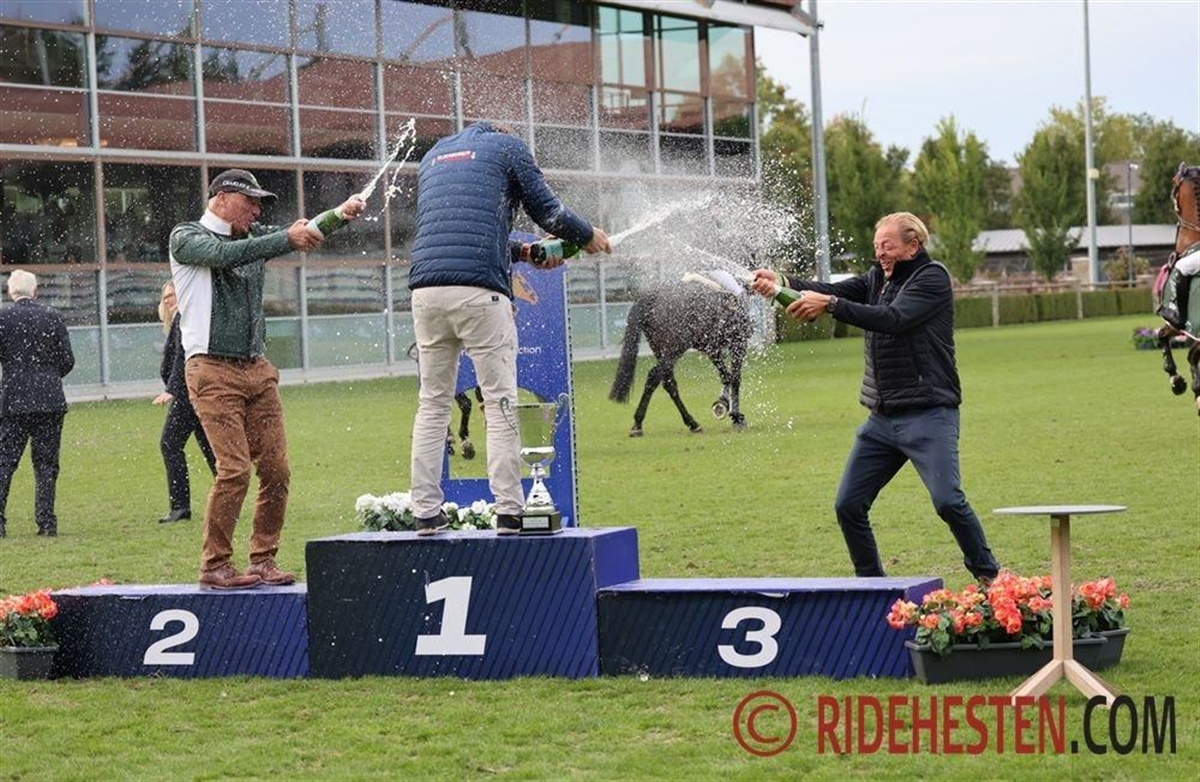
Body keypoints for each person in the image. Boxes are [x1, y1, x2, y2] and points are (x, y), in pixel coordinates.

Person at [751, 212, 1000, 582]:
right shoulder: (875, 279)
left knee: (948, 501)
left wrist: (831, 306)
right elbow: (830, 289)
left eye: (888, 246)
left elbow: (893, 318)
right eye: (877, 246)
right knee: (848, 505)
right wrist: (782, 282)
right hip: (881, 422)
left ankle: (990, 577)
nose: (880, 253)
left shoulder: (931, 278)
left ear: (913, 246)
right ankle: (872, 587)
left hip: (929, 415)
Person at [408, 121, 611, 536]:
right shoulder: (510, 147)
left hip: (425, 292)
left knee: (433, 403)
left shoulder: (434, 156)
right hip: (481, 293)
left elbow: (459, 231)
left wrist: (524, 251)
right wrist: (587, 234)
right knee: (499, 402)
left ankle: (425, 511)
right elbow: (549, 211)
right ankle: (509, 511)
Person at [169, 169, 365, 588]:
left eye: (260, 205)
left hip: (256, 367)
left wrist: (340, 214)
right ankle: (215, 566)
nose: (257, 211)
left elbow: (303, 232)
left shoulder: (253, 237)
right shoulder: (185, 236)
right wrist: (286, 238)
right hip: (211, 369)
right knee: (235, 470)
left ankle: (262, 560)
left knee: (277, 470)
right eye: (250, 202)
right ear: (222, 197)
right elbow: (224, 255)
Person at [0, 269, 75, 538]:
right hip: (49, 400)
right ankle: (46, 521)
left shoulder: (3, 318)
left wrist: (15, 376)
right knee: (46, 464)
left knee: (5, 462)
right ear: (35, 292)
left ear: (10, 291)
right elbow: (67, 359)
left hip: (14, 400)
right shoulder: (52, 317)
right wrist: (48, 378)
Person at [152, 280, 216, 524]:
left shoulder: (184, 319)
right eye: (165, 296)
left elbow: (183, 356)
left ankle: (180, 506)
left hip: (187, 394)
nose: (168, 299)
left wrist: (172, 389)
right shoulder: (182, 320)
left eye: (172, 294)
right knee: (210, 447)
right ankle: (229, 494)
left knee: (170, 444)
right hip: (192, 392)